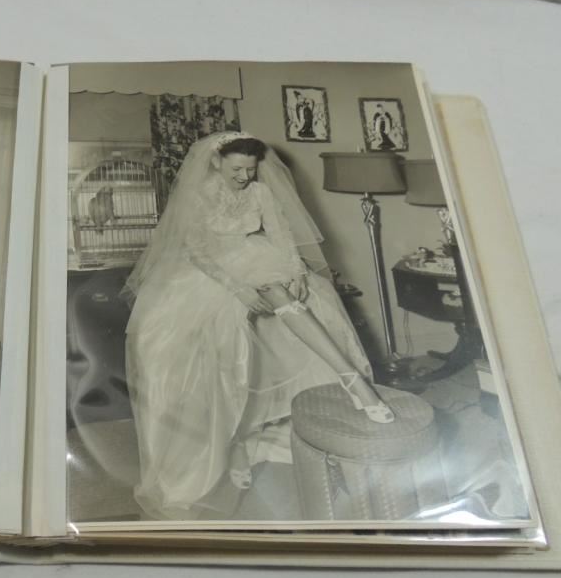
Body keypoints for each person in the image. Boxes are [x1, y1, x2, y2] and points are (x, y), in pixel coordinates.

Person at [124, 131, 391, 519]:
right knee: (222, 360)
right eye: (237, 169)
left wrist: (296, 270)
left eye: (250, 169)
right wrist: (237, 288)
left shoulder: (261, 192)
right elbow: (197, 250)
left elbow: (281, 235)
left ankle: (352, 380)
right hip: (211, 273)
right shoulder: (197, 196)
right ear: (216, 161)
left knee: (284, 294)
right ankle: (237, 447)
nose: (244, 176)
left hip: (258, 259)